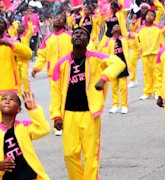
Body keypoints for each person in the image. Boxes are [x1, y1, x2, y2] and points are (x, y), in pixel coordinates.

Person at [51, 26, 125, 179]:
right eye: (75, 33)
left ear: (87, 40)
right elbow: (56, 93)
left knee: (90, 155)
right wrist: (56, 116)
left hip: (90, 113)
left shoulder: (97, 57)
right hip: (69, 114)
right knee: (70, 154)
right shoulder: (61, 64)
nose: (78, 35)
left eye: (82, 34)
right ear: (71, 39)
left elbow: (119, 63)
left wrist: (104, 78)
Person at [0, 91, 50, 180]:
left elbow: (44, 129)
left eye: (12, 99)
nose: (7, 101)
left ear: (19, 110)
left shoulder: (24, 126)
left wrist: (32, 109)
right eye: (4, 99)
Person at [31, 13, 72, 136]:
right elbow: (42, 55)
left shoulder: (70, 36)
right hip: (53, 73)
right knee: (55, 99)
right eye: (57, 18)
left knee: (68, 97)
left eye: (61, 19)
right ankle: (57, 122)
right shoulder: (47, 39)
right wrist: (36, 68)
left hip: (69, 71)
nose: (58, 20)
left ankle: (69, 122)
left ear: (65, 23)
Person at [136, 10, 165, 100]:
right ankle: (147, 92)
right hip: (145, 54)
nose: (149, 16)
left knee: (157, 74)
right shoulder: (140, 29)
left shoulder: (159, 28)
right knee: (147, 74)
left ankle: (158, 91)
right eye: (148, 15)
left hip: (157, 54)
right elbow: (134, 38)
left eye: (152, 15)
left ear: (154, 18)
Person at [103, 24, 130, 114]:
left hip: (123, 65)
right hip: (114, 66)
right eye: (114, 27)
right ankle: (115, 104)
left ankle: (124, 105)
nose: (116, 28)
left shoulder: (124, 40)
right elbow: (105, 54)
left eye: (118, 27)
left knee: (123, 87)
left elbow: (133, 44)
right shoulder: (109, 42)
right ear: (112, 31)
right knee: (114, 87)